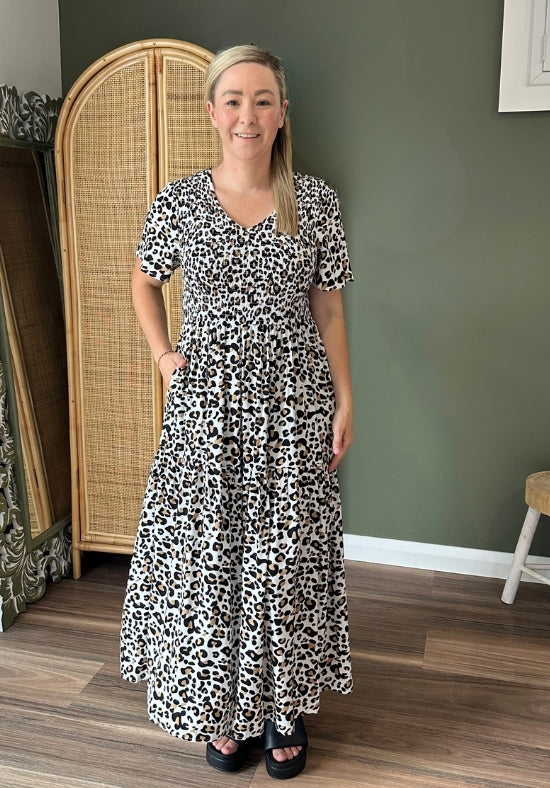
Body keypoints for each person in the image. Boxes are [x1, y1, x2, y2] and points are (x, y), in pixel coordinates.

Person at [120, 43, 354, 780]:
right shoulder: (180, 199)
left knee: (284, 561)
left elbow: (329, 308)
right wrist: (165, 359)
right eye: (233, 99)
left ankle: (282, 706)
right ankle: (227, 707)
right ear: (211, 112)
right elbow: (143, 282)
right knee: (212, 556)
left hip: (293, 406)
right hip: (207, 408)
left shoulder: (313, 202)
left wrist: (347, 397)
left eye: (262, 100)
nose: (246, 115)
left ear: (283, 114)